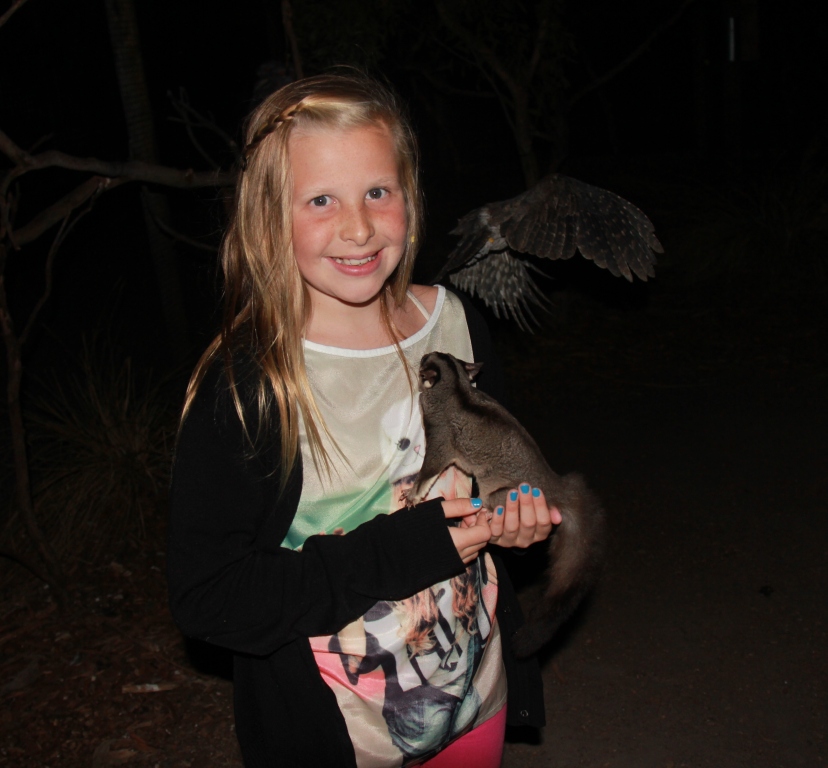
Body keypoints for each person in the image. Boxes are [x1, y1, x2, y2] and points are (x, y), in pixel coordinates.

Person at [167, 72, 561, 768]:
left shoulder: (455, 324)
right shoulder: (250, 384)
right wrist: (411, 547)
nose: (357, 226)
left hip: (473, 694)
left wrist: (516, 518)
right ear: (268, 216)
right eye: (321, 199)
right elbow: (210, 598)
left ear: (409, 195)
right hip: (336, 733)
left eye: (377, 191)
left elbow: (491, 469)